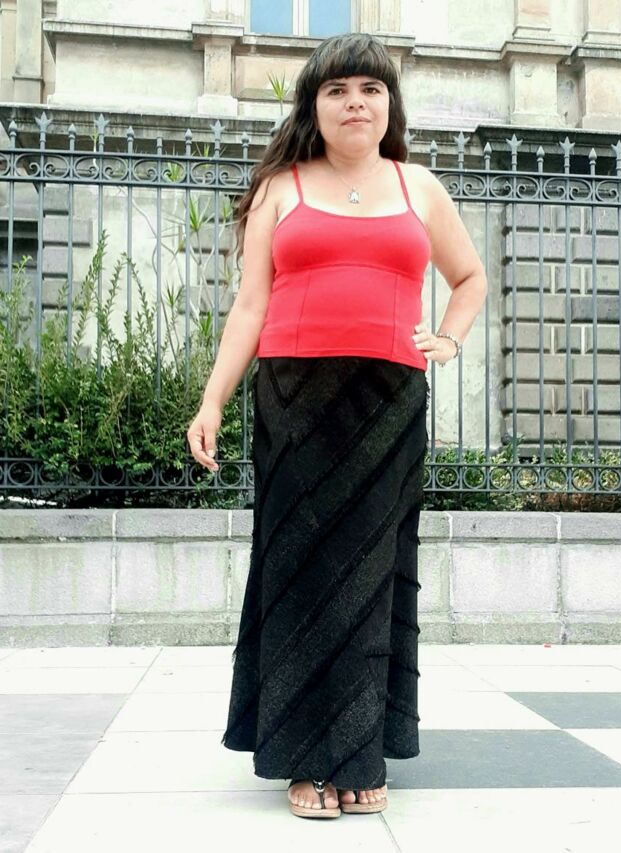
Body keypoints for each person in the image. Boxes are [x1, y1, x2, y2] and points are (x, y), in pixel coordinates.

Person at [187, 32, 487, 819]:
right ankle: (304, 758)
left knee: (371, 574)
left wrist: (448, 337)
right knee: (300, 571)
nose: (356, 102)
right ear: (313, 107)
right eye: (338, 90)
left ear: (389, 105)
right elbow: (249, 305)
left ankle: (357, 752)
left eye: (370, 89)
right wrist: (212, 401)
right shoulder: (280, 188)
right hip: (293, 401)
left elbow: (469, 277)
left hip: (389, 404)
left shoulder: (419, 186)